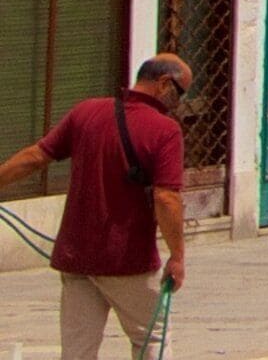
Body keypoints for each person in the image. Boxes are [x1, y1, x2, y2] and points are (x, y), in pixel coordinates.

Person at [0, 55, 191, 360]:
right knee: (151, 338)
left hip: (77, 259)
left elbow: (36, 156)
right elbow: (166, 198)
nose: (179, 102)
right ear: (164, 83)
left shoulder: (86, 112)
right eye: (180, 93)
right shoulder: (164, 130)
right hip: (127, 261)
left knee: (77, 351)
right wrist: (178, 256)